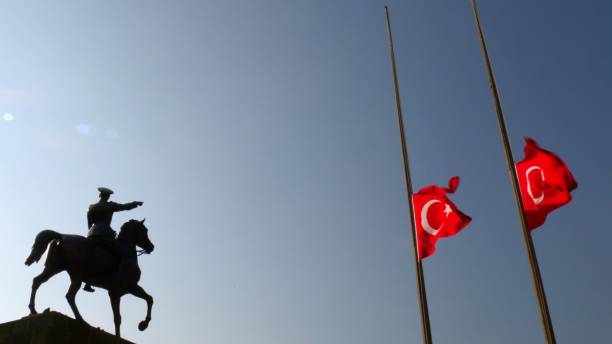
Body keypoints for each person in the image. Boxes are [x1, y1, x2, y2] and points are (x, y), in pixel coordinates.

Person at [83, 187, 143, 292]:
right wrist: (135, 203)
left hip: (91, 235)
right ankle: (119, 278)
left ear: (99, 195)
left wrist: (92, 232)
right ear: (107, 196)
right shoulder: (110, 205)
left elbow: (89, 224)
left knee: (90, 257)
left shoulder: (91, 207)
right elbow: (125, 207)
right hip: (105, 235)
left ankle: (87, 283)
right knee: (123, 255)